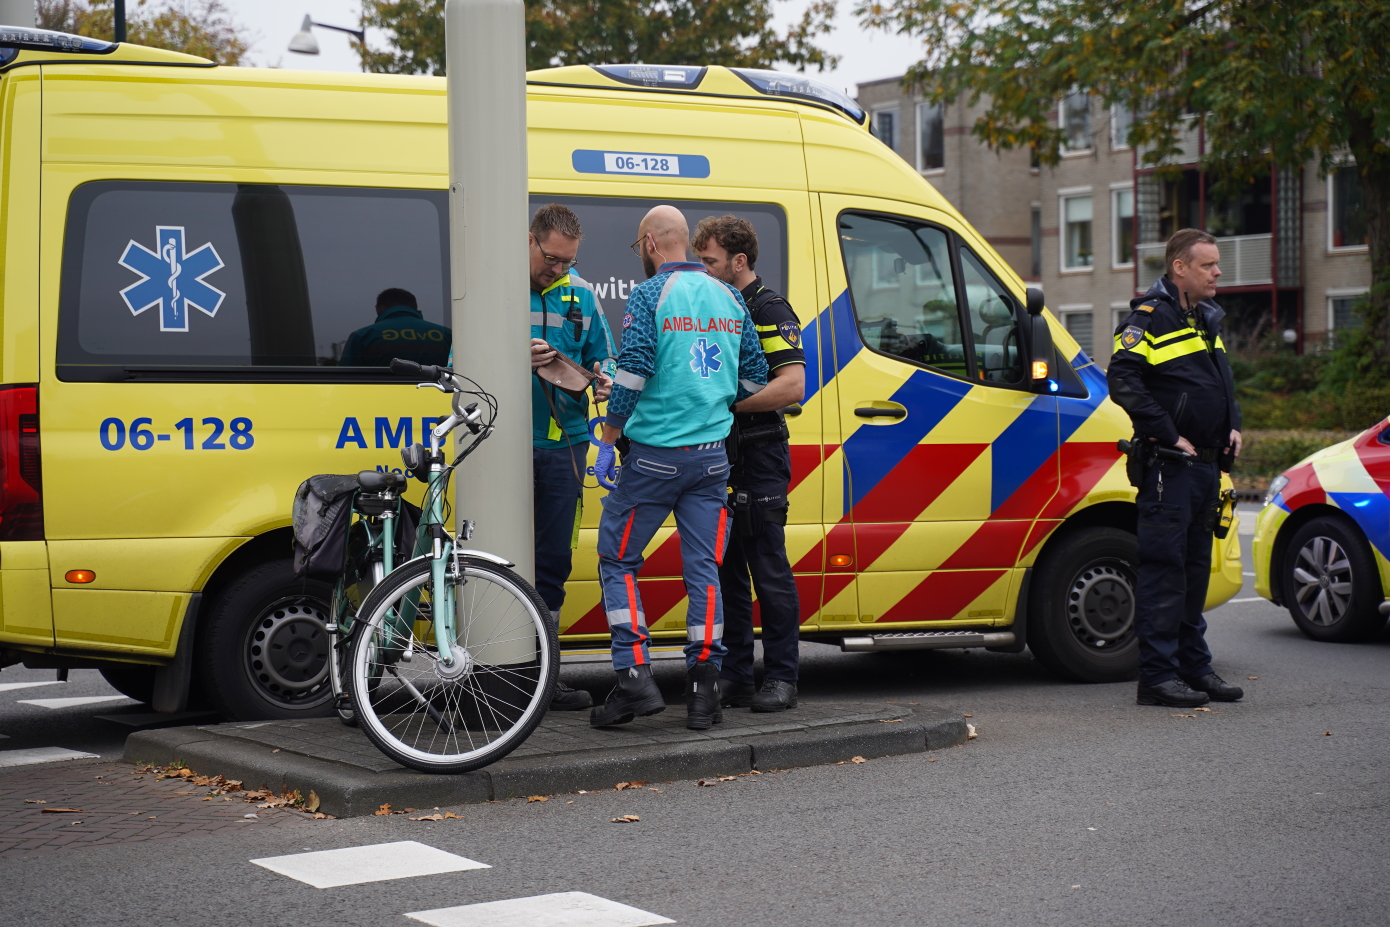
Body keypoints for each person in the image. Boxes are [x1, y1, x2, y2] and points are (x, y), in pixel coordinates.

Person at [589, 205, 769, 731]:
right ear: (684, 244)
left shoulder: (648, 295)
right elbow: (754, 378)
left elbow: (638, 367)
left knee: (617, 559)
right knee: (704, 572)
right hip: (712, 460)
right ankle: (703, 692)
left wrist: (610, 434)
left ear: (649, 245)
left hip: (653, 459)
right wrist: (704, 399)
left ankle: (633, 680)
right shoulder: (730, 295)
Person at [1107, 228, 1245, 709]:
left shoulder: (1205, 318)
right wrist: (1167, 432)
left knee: (1192, 573)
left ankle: (1194, 668)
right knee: (1165, 574)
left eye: (1217, 264)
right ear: (1179, 268)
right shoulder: (1149, 318)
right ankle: (1158, 678)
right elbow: (1121, 379)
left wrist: (1233, 425)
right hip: (1170, 468)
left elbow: (1221, 383)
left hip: (1204, 469)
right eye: (1208, 265)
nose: (1218, 272)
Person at [692, 215, 805, 712]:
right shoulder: (719, 308)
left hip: (759, 455)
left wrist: (727, 405)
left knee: (768, 570)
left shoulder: (768, 308)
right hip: (725, 456)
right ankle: (737, 675)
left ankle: (781, 677)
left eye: (710, 261)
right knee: (728, 573)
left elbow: (792, 385)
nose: (703, 269)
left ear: (739, 262)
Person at [525, 204, 616, 712]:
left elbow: (606, 353)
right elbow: (458, 366)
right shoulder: (492, 286)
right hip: (505, 444)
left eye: (567, 262)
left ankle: (543, 679)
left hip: (565, 444)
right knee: (497, 556)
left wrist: (603, 374)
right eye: (552, 260)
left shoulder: (581, 292)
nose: (558, 271)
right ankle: (498, 672)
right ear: (531, 239)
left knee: (554, 560)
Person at [339, 288, 450, 367]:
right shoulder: (448, 335)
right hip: (440, 399)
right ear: (415, 308)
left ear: (378, 309)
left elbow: (344, 380)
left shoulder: (363, 336)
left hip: (380, 399)